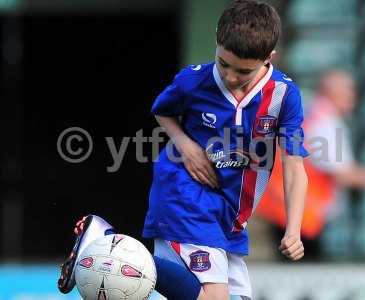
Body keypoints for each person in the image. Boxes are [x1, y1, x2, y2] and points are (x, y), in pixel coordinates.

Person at [58, 1, 308, 299]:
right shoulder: (193, 80)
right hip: (187, 195)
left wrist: (293, 229)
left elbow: (294, 165)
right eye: (223, 63)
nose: (229, 77)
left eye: (242, 71)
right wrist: (186, 145)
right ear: (217, 39)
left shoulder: (284, 96)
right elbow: (162, 111)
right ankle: (108, 245)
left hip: (228, 215)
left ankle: (112, 246)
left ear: (269, 58)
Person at [257, 70, 365, 260]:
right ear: (330, 92)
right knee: (303, 273)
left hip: (286, 208)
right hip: (303, 215)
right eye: (348, 90)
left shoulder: (309, 113)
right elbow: (343, 174)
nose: (353, 95)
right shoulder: (325, 124)